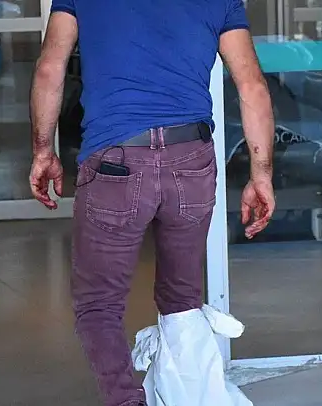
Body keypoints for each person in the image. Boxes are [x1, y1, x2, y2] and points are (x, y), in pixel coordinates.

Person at [28, 1, 275, 405]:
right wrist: (261, 174)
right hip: (191, 157)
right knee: (181, 301)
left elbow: (49, 69)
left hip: (116, 160)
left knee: (99, 305)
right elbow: (251, 85)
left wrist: (43, 151)